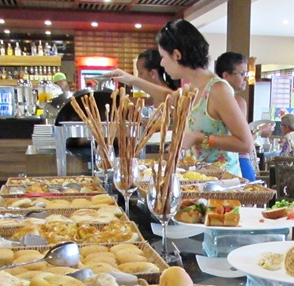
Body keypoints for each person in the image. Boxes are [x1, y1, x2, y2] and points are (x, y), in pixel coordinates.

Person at [106, 20, 253, 176]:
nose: (162, 63)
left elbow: (246, 143)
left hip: (221, 188)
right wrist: (131, 79)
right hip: (198, 182)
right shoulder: (192, 87)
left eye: (163, 56)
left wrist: (198, 138)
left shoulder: (218, 89)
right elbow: (167, 96)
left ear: (177, 55)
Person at [214, 51, 258, 180]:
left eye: (247, 74)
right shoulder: (238, 102)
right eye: (242, 73)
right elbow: (244, 142)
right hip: (236, 164)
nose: (246, 78)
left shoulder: (208, 99)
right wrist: (260, 131)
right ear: (226, 75)